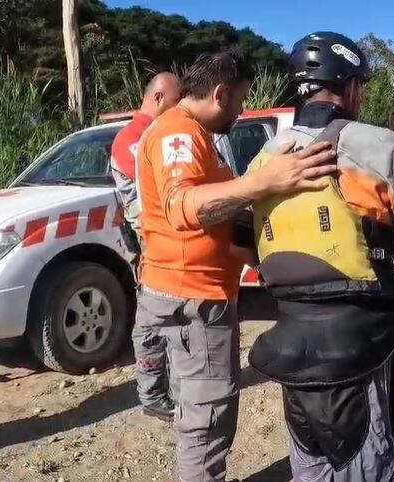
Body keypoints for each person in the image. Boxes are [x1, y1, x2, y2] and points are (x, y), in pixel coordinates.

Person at [134, 52, 337, 482]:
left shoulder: (196, 136)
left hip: (190, 289)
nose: (242, 110)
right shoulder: (178, 134)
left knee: (201, 412)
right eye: (240, 101)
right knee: (207, 421)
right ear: (221, 93)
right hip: (193, 298)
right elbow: (181, 206)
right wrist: (264, 181)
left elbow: (218, 219)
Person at [243, 32, 394, 482]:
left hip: (291, 330)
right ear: (347, 86)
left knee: (310, 462)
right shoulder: (379, 145)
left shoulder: (264, 159)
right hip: (357, 335)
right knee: (365, 460)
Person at [110, 72, 181, 422]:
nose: (179, 107)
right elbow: (148, 202)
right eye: (174, 100)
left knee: (162, 322)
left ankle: (161, 388)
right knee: (151, 324)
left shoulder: (151, 135)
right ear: (157, 98)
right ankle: (152, 394)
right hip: (151, 246)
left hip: (158, 245)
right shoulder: (134, 138)